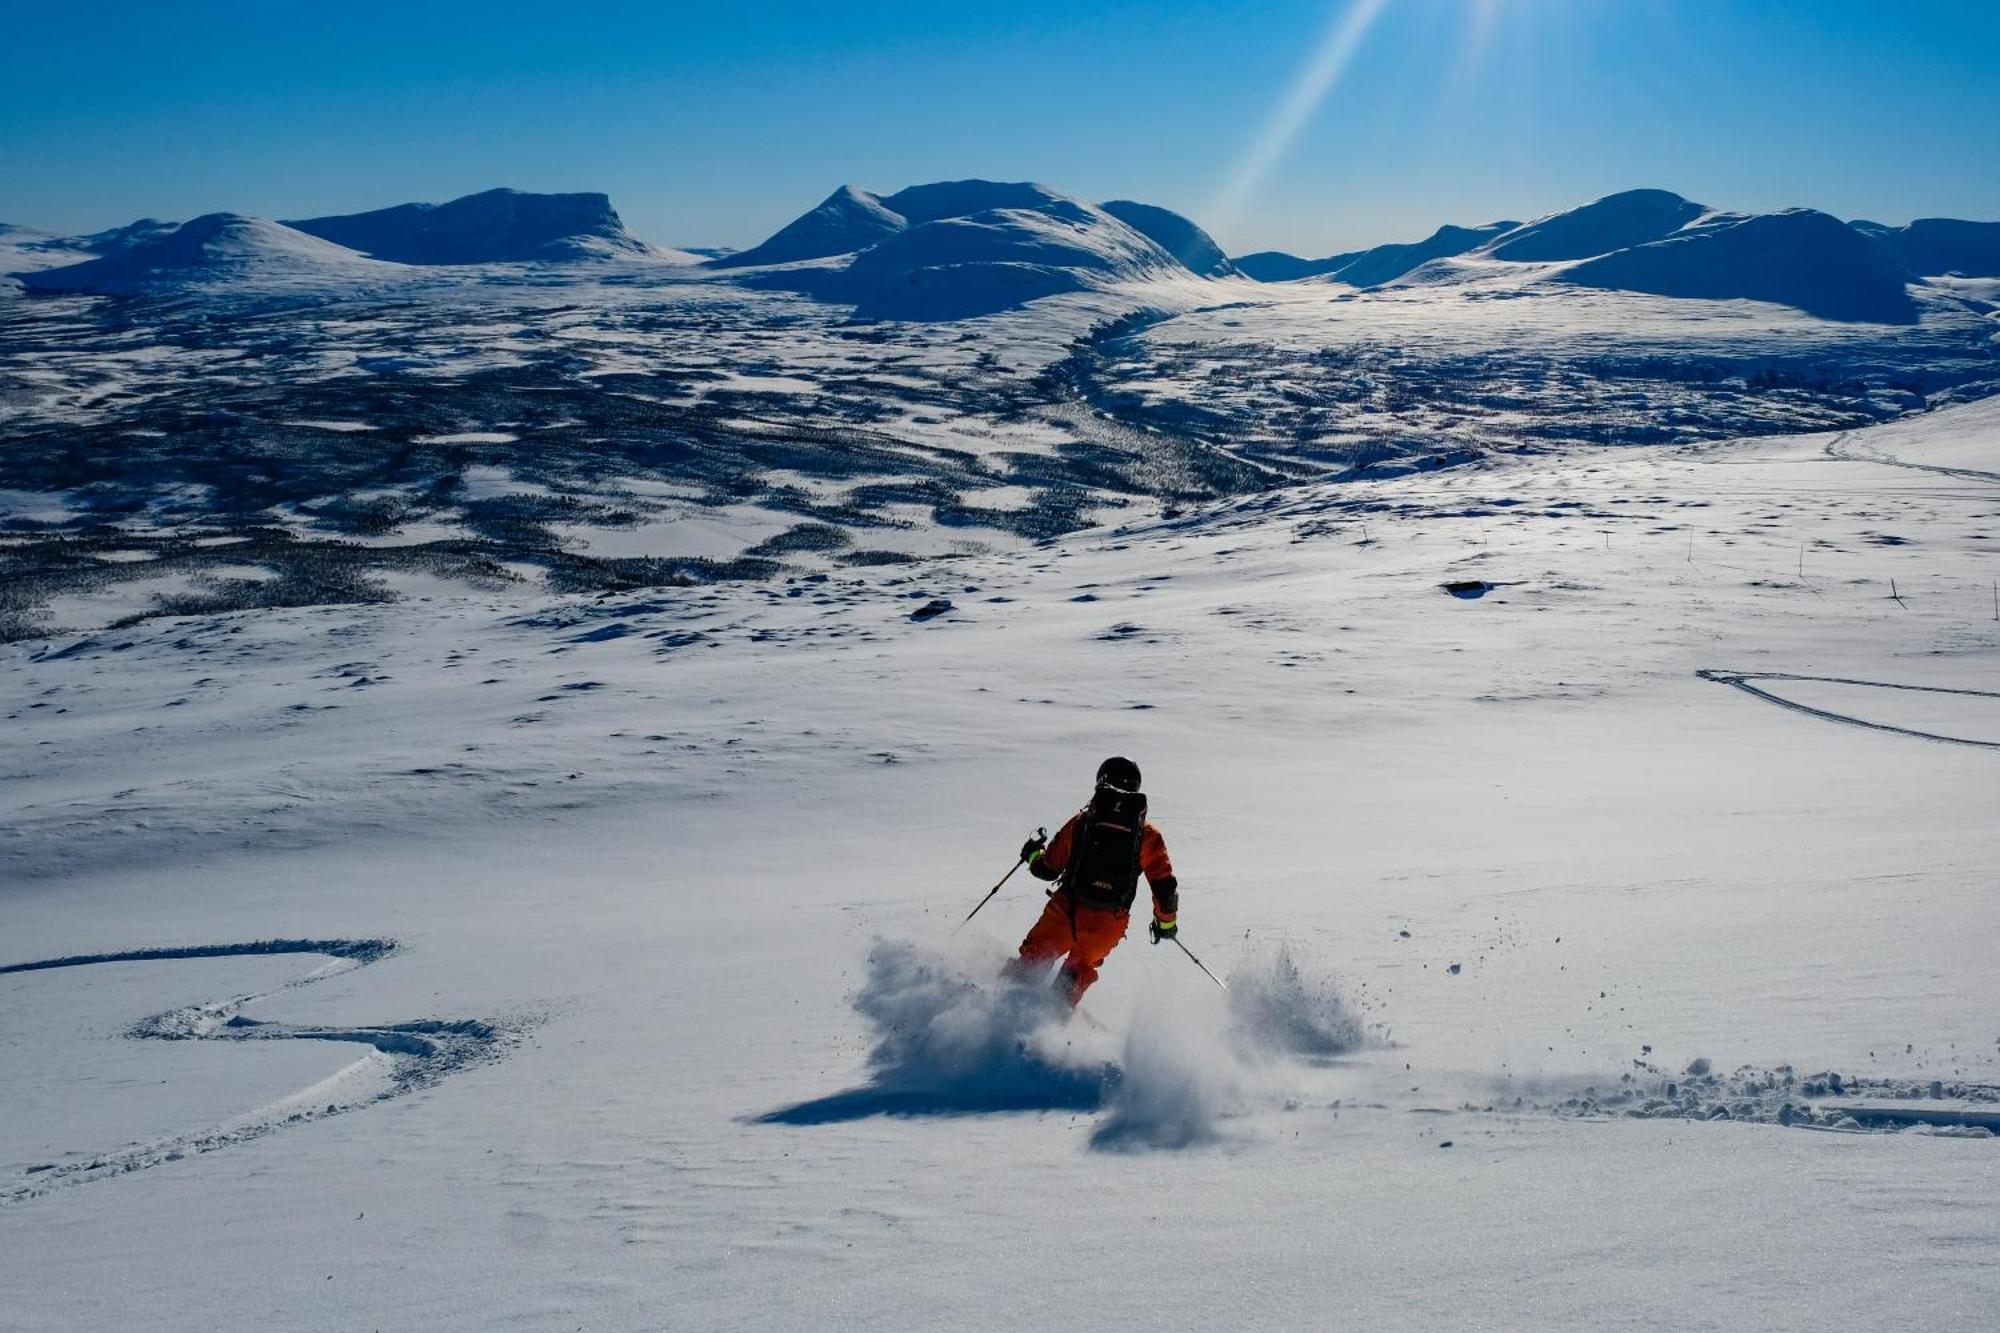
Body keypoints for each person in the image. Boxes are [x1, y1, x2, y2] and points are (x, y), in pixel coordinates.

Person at [1003, 756, 1179, 1006]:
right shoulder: (1148, 836)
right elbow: (1165, 888)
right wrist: (1165, 924)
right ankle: (1049, 1022)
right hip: (1108, 923)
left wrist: (1032, 853)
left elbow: (1048, 869)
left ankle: (1000, 1007)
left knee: (1035, 958)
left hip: (1067, 910)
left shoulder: (1082, 822)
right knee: (1078, 970)